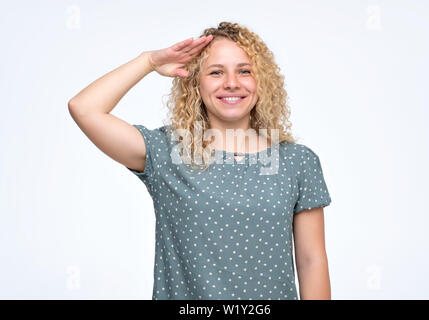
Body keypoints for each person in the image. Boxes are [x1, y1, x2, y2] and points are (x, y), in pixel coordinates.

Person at [68, 21, 332, 300]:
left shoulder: (297, 162)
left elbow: (311, 261)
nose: (232, 83)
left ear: (262, 80)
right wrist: (148, 61)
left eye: (245, 71)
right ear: (195, 82)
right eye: (216, 72)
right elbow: (84, 108)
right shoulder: (167, 152)